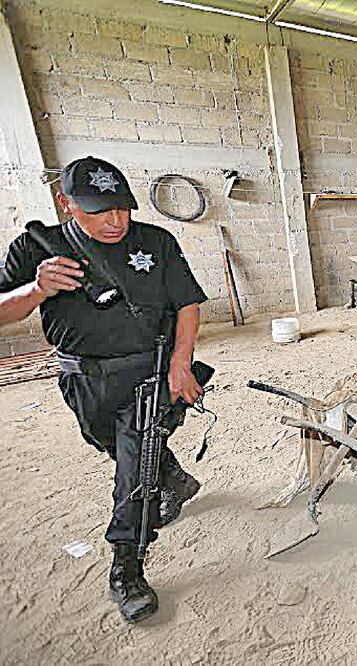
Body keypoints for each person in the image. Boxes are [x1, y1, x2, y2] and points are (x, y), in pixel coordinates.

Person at [0, 156, 208, 623]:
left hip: (147, 373)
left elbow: (188, 304)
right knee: (106, 441)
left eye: (122, 208)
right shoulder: (37, 248)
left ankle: (127, 565)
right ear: (66, 204)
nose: (115, 221)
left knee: (134, 468)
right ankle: (173, 476)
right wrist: (36, 290)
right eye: (98, 210)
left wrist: (180, 363)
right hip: (82, 378)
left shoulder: (156, 242)